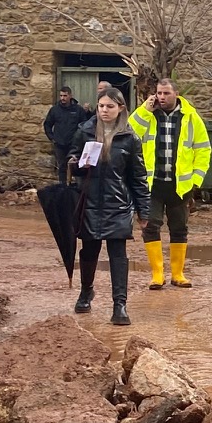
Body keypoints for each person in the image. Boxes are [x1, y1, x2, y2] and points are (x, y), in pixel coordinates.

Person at [73, 89, 150, 326]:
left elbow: (138, 177)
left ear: (120, 109)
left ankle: (120, 304)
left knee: (118, 255)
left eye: (109, 106)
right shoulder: (84, 131)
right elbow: (70, 161)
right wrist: (75, 163)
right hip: (89, 202)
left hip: (117, 204)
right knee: (89, 251)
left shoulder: (130, 138)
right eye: (101, 106)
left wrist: (143, 211)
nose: (104, 111)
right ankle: (86, 292)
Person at [128, 76, 212, 289]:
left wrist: (196, 180)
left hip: (180, 185)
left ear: (176, 94)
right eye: (159, 93)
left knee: (179, 228)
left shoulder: (191, 118)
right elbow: (129, 133)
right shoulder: (147, 115)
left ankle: (178, 274)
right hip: (152, 185)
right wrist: (144, 111)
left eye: (166, 93)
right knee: (150, 226)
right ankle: (157, 275)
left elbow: (203, 150)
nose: (161, 97)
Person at [43, 87, 88, 186]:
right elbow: (47, 124)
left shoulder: (78, 110)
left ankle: (77, 186)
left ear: (70, 96)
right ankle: (63, 186)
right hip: (59, 144)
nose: (63, 98)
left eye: (65, 96)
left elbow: (84, 125)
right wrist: (52, 138)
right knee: (62, 167)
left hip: (74, 145)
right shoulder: (55, 110)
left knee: (76, 165)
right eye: (61, 96)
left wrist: (80, 140)